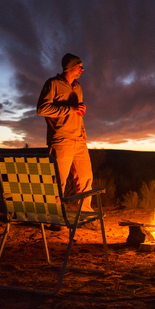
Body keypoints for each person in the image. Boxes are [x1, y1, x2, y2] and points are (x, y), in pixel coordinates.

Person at [36, 53, 94, 213]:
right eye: (79, 65)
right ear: (70, 67)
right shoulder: (53, 84)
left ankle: (85, 213)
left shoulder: (77, 87)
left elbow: (76, 112)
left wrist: (82, 128)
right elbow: (41, 109)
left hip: (79, 140)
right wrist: (71, 108)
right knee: (57, 181)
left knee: (85, 178)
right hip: (61, 140)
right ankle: (54, 216)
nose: (82, 68)